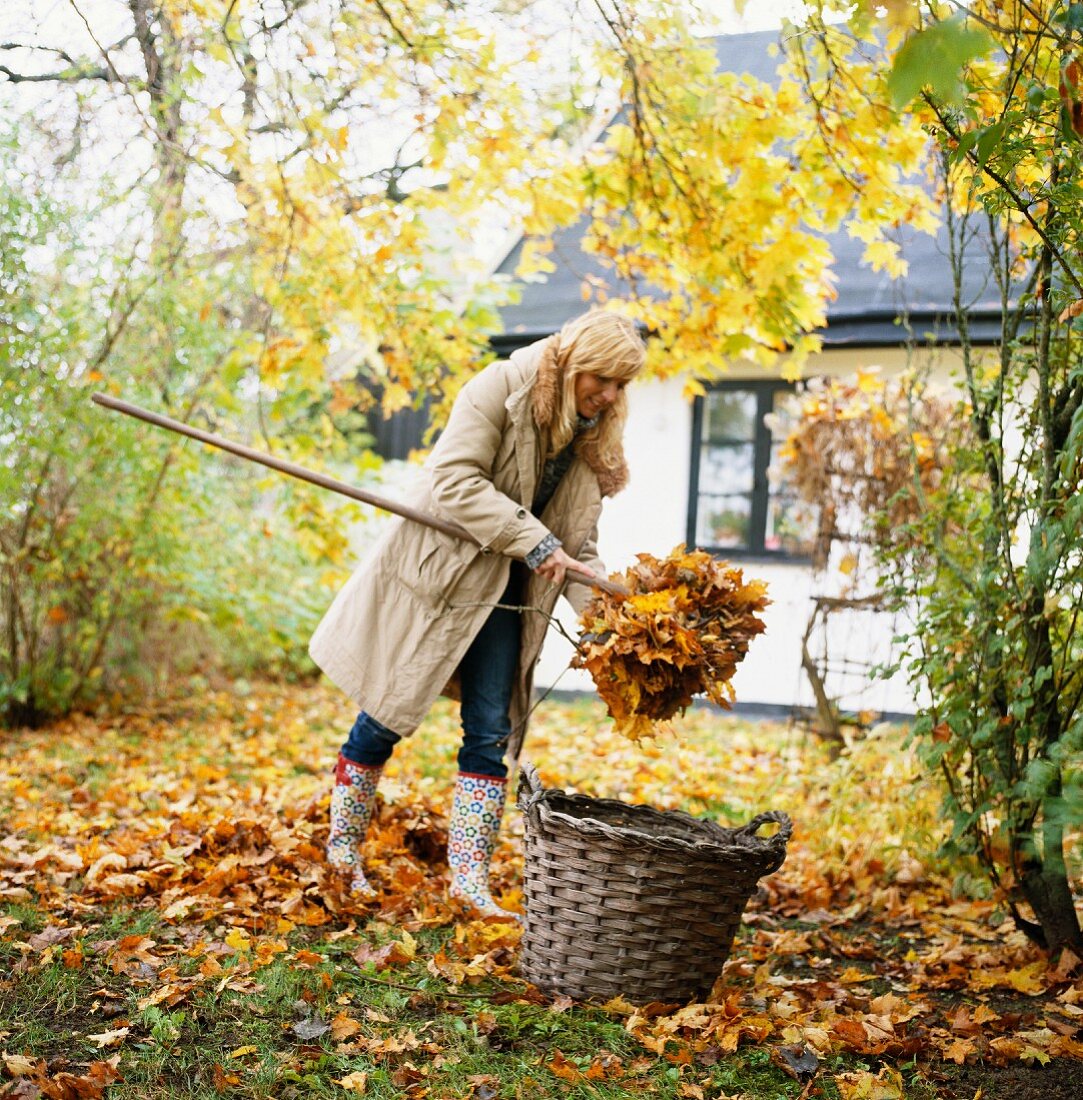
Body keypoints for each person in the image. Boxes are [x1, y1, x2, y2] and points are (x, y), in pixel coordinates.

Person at [310, 309, 646, 917]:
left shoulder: (593, 438)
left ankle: (468, 884)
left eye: (622, 384)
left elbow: (578, 544)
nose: (611, 393)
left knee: (490, 733)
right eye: (603, 377)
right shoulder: (501, 388)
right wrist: (534, 540)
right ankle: (342, 854)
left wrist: (611, 625)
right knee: (386, 712)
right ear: (573, 363)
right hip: (442, 580)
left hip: (509, 596)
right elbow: (455, 480)